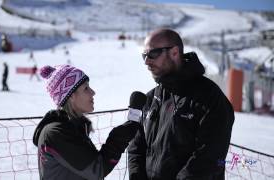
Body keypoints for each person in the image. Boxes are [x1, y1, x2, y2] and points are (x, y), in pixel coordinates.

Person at [128, 28, 235, 180]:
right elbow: (136, 148)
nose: (146, 61)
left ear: (174, 52)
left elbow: (210, 158)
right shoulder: (151, 98)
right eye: (144, 55)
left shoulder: (209, 97)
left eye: (152, 53)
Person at [33, 64, 141, 180]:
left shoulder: (72, 128)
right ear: (71, 96)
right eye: (86, 88)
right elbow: (97, 169)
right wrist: (118, 137)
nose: (93, 92)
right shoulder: (55, 133)